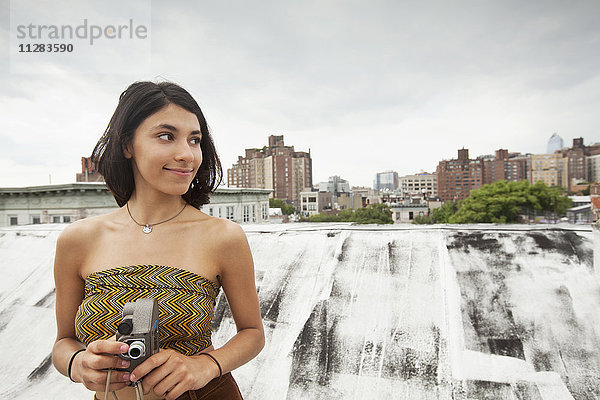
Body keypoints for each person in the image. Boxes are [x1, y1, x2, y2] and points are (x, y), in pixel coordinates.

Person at [51, 81, 265, 400]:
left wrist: (205, 366)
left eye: (195, 140)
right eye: (166, 136)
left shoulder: (223, 236)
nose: (186, 154)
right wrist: (79, 363)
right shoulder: (78, 240)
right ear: (127, 145)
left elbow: (252, 333)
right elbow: (63, 343)